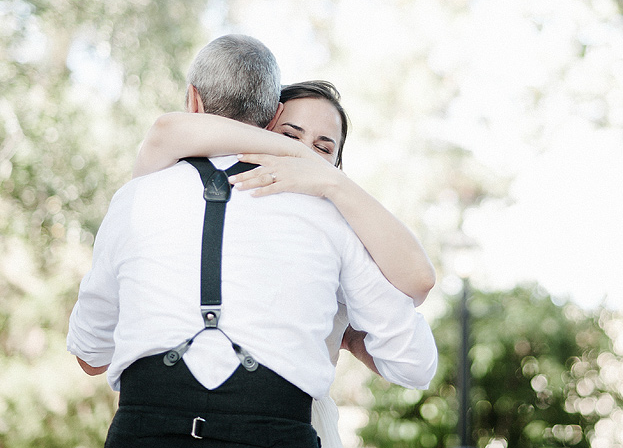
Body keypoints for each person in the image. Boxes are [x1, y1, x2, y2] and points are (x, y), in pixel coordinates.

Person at [67, 34, 438, 448]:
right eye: (292, 136)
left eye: (322, 149)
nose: (304, 154)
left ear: (194, 101)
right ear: (271, 119)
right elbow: (414, 364)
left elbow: (90, 354)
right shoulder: (327, 217)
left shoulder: (135, 198)